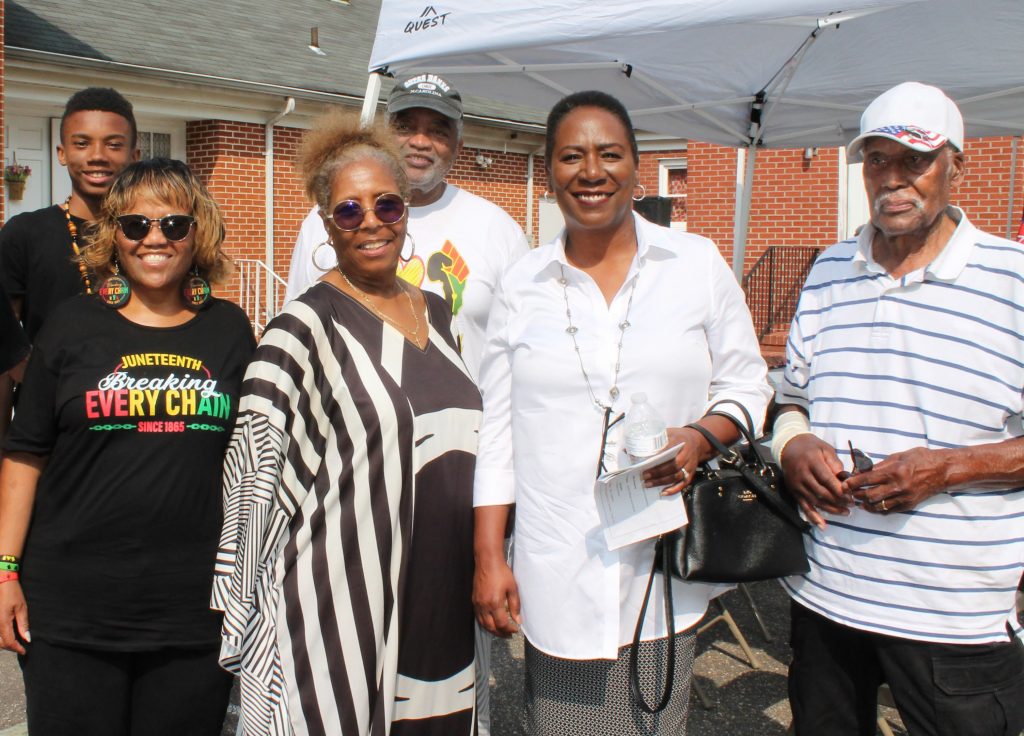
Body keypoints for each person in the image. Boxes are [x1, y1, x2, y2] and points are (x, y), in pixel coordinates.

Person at [472, 90, 771, 735]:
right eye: (571, 156)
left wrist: (699, 437)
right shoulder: (522, 284)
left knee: (657, 723)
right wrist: (488, 555)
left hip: (663, 566)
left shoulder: (696, 265)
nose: (591, 171)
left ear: (637, 167)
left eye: (610, 154)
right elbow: (496, 431)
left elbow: (749, 385)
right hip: (559, 565)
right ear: (550, 173)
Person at [213, 111, 482, 735]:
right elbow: (251, 473)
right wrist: (244, 614)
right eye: (348, 211)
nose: (370, 223)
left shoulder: (440, 316)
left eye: (385, 206)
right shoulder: (301, 328)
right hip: (336, 602)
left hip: (439, 590)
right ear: (326, 226)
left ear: (406, 210)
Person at [772, 82, 1024, 735]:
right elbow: (790, 397)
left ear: (957, 165)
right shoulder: (829, 270)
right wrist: (793, 445)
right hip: (828, 594)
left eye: (914, 161)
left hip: (955, 614)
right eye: (877, 160)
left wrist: (948, 469)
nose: (892, 180)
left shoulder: (1013, 279)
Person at [0, 157, 256, 734]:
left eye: (173, 224)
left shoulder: (230, 330)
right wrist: (4, 573)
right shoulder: (70, 325)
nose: (154, 239)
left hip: (194, 610)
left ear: (200, 231)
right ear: (114, 233)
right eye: (136, 225)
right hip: (70, 608)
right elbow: (25, 452)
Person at [285, 73, 529, 380]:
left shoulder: (498, 230)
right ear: (382, 135)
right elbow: (298, 339)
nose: (419, 141)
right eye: (404, 127)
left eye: (438, 131)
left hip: (464, 424)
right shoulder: (331, 220)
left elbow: (524, 354)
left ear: (459, 145)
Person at [0, 87, 139, 435]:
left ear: (134, 154)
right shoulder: (26, 233)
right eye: (81, 143)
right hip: (53, 427)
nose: (97, 156)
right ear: (61, 153)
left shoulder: (154, 238)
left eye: (113, 144)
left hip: (140, 420)